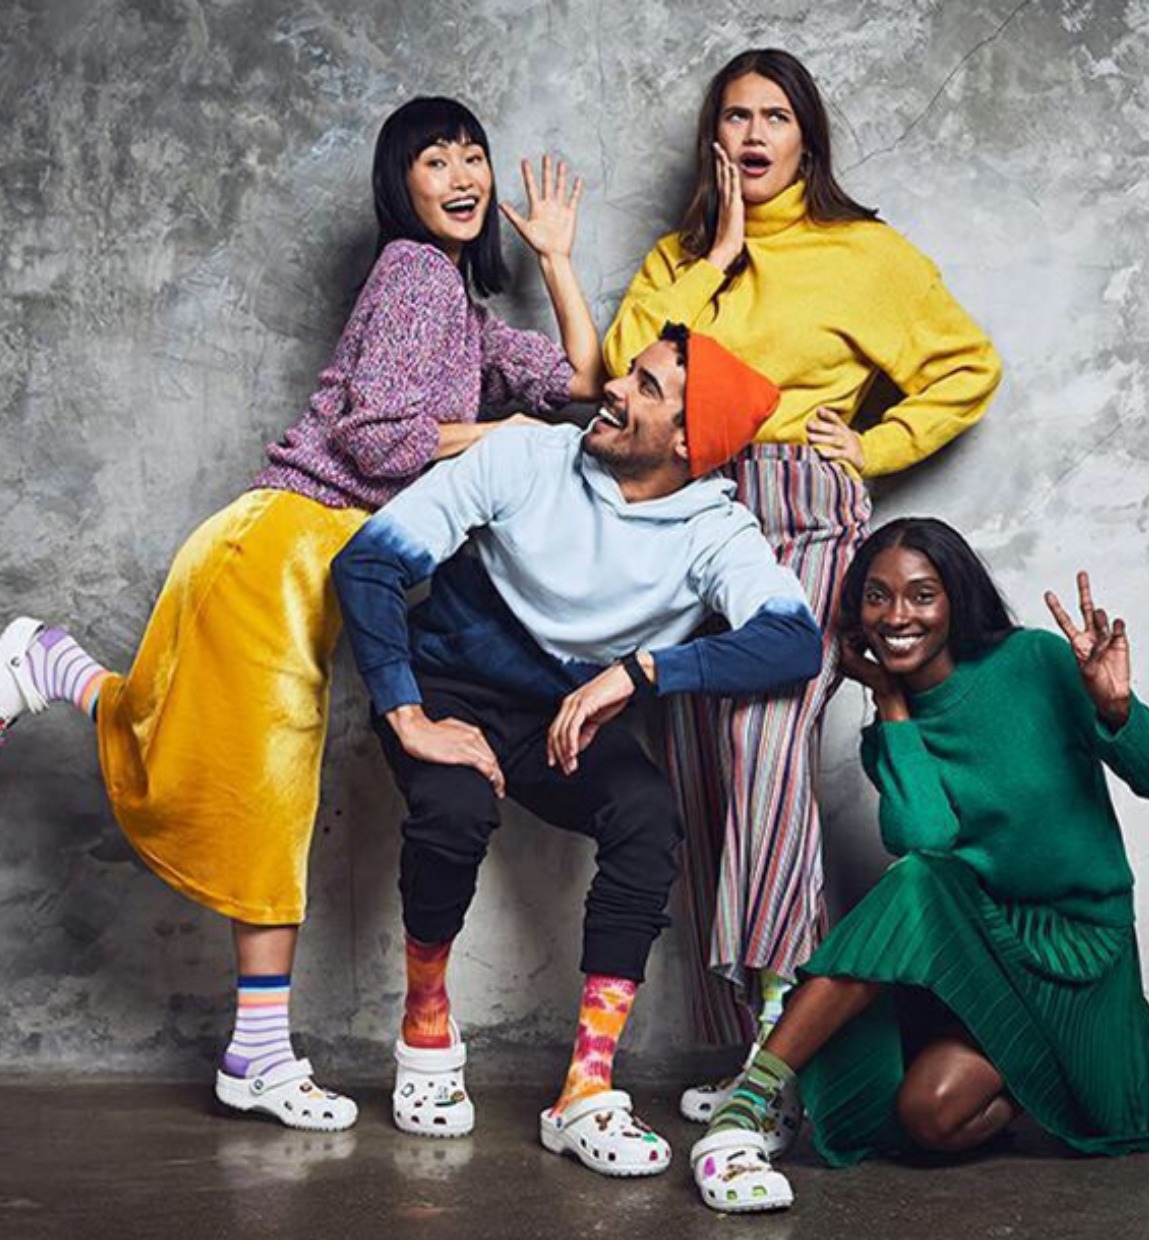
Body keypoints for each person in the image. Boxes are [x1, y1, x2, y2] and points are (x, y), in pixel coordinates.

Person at [0, 96, 603, 1129]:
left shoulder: (460, 310)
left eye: (472, 156)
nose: (462, 175)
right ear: (399, 186)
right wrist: (499, 437)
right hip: (281, 550)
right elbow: (375, 439)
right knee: (265, 798)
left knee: (219, 762)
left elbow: (581, 383)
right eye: (434, 160)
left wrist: (553, 257)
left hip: (302, 564)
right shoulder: (413, 273)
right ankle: (262, 1056)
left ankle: (48, 661)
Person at [602, 48, 1004, 1127]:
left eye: (774, 116)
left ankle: (781, 1062)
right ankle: (759, 1060)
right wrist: (717, 258)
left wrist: (875, 445)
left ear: (806, 136)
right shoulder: (681, 258)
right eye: (735, 116)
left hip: (805, 514)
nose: (753, 135)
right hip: (692, 514)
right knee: (699, 765)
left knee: (763, 744)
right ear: (713, 139)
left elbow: (966, 364)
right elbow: (621, 377)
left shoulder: (862, 253)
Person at [330, 324, 822, 1176]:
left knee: (649, 815)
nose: (615, 389)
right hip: (449, 687)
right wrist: (407, 714)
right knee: (454, 810)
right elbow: (368, 563)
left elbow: (795, 643)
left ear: (688, 441)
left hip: (562, 717)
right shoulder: (527, 457)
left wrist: (643, 671)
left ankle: (585, 1091)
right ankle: (425, 1021)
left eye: (648, 388)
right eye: (630, 372)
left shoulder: (716, 530)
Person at [690, 517, 1149, 1213]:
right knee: (929, 1116)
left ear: (957, 599)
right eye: (878, 597)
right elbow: (925, 838)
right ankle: (750, 1103)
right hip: (987, 952)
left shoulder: (1037, 661)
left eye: (922, 595)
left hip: (1083, 954)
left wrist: (1116, 706)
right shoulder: (893, 733)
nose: (898, 616)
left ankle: (1042, 1075)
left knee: (1110, 1118)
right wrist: (891, 704)